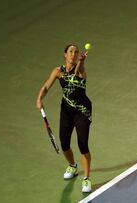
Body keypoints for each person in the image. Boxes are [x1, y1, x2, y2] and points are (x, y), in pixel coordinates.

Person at [36, 44, 92, 193]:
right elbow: (46, 87)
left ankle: (86, 179)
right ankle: (73, 166)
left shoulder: (80, 71)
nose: (74, 54)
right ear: (65, 55)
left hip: (82, 111)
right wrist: (39, 99)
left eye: (76, 52)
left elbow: (79, 69)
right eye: (71, 52)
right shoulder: (58, 71)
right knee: (64, 143)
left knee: (82, 144)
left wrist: (82, 61)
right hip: (66, 111)